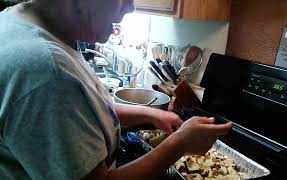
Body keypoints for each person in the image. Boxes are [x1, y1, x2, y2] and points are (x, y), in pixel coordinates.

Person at [0, 0, 233, 179]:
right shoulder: (45, 69)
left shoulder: (21, 23)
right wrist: (180, 143)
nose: (131, 7)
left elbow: (76, 113)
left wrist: (148, 114)